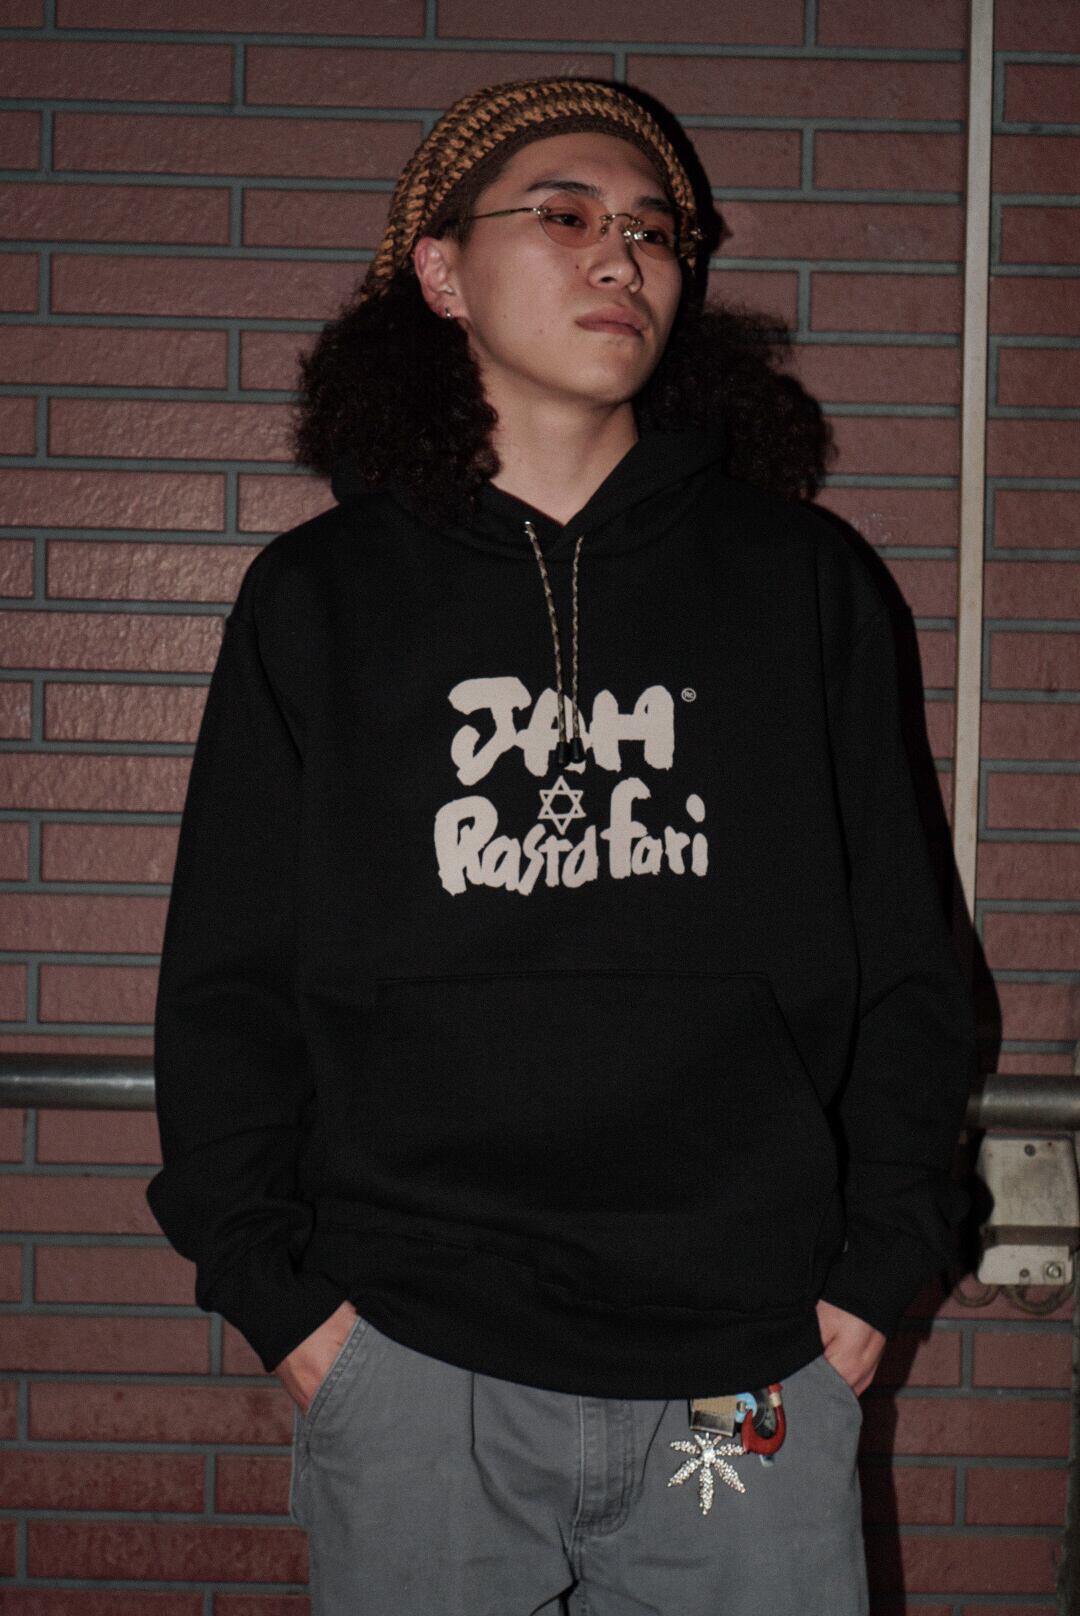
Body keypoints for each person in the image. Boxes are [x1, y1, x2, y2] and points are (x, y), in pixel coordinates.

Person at [148, 75, 977, 1616]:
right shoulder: (321, 599)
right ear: (442, 271)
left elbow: (911, 967)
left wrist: (878, 1272)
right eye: (568, 215)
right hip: (414, 1357)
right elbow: (226, 983)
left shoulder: (803, 585)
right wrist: (285, 1305)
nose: (623, 255)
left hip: (750, 1363)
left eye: (656, 230)